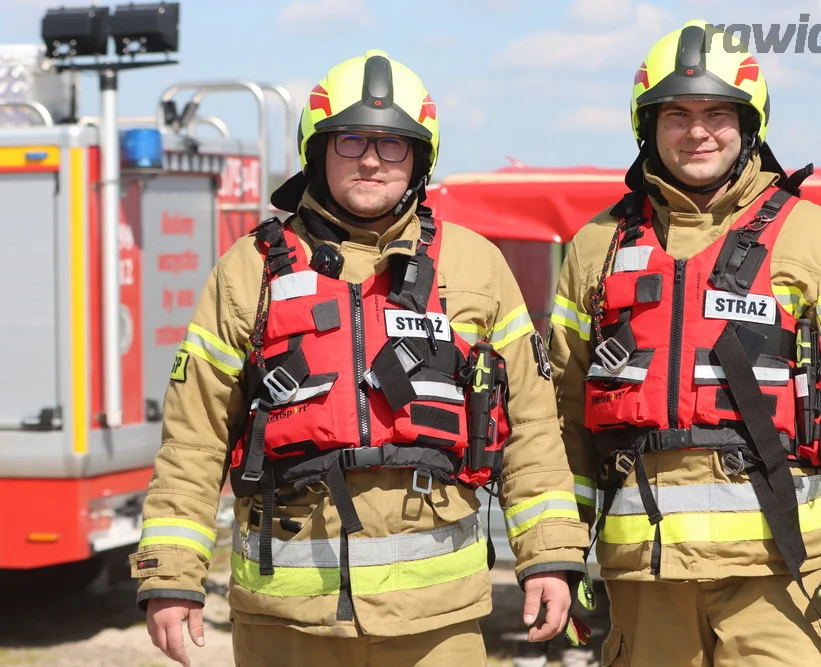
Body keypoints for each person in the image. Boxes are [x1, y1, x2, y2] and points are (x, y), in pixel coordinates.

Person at [129, 49, 590, 667]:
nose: (371, 159)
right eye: (350, 140)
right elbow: (194, 438)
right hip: (286, 618)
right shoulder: (247, 272)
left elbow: (532, 428)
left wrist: (549, 557)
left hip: (438, 621)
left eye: (392, 144)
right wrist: (171, 577)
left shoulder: (476, 267)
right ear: (317, 151)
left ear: (420, 158)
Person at [547, 20, 821, 667]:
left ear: (750, 124)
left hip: (781, 580)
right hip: (643, 581)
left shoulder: (815, 238)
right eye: (678, 113)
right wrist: (556, 549)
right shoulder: (595, 249)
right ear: (647, 124)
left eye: (718, 112)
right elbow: (559, 420)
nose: (697, 131)